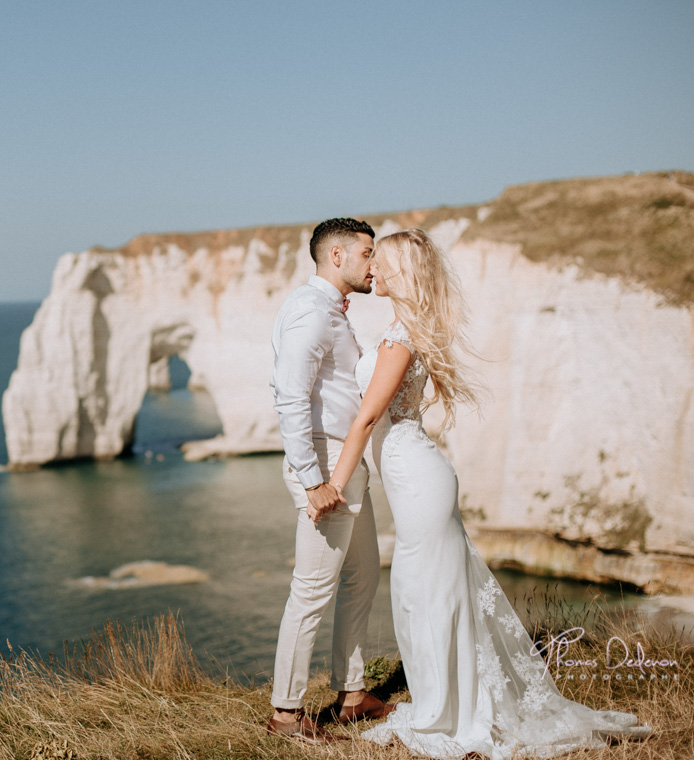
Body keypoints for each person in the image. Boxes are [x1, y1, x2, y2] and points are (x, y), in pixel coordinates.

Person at [327, 228, 651, 757]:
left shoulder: (400, 336)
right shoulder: (402, 329)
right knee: (426, 592)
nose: (373, 272)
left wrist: (334, 486)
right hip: (416, 474)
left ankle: (449, 712)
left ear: (402, 272)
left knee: (426, 592)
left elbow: (366, 419)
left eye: (380, 263)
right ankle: (448, 702)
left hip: (416, 477)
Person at [265, 218, 395, 743]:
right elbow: (291, 397)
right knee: (312, 590)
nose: (375, 265)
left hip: (345, 462)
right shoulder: (309, 314)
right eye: (368, 254)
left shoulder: (331, 313)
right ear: (336, 256)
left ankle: (351, 693)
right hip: (324, 464)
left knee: (363, 574)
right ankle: (285, 713)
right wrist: (313, 478)